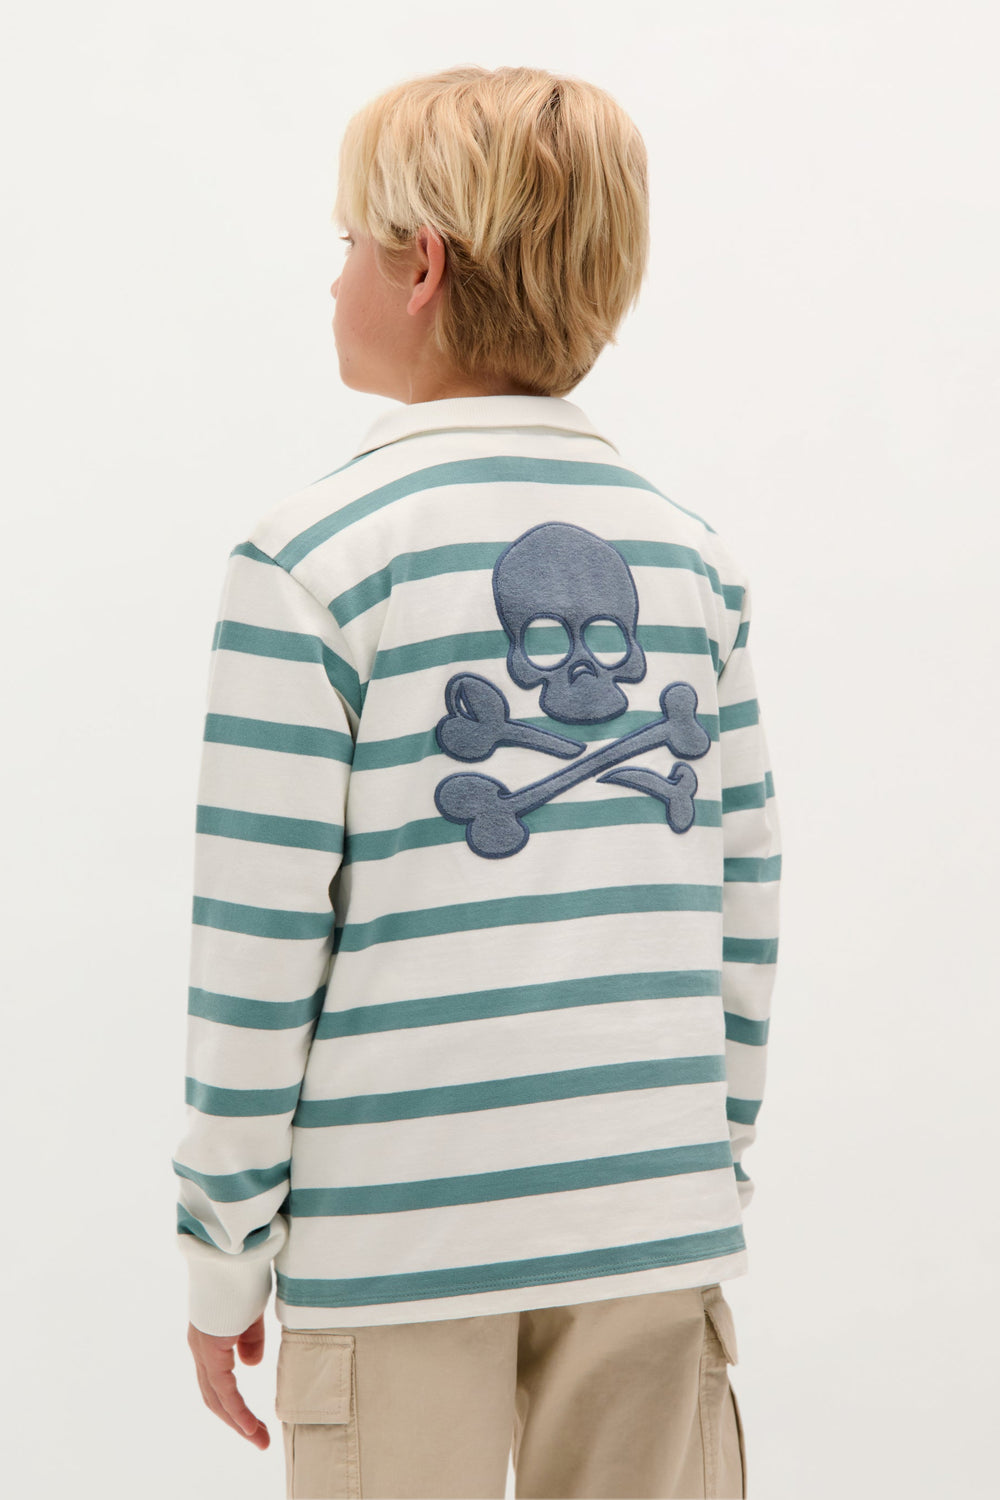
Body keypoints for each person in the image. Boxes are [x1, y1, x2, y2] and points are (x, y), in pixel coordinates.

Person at [172, 64, 781, 1499]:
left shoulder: (314, 562)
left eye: (347, 242)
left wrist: (222, 1251)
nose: (332, 277)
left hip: (401, 1236)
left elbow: (256, 947)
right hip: (651, 1219)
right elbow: (744, 912)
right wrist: (707, 1164)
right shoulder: (693, 563)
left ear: (421, 267)